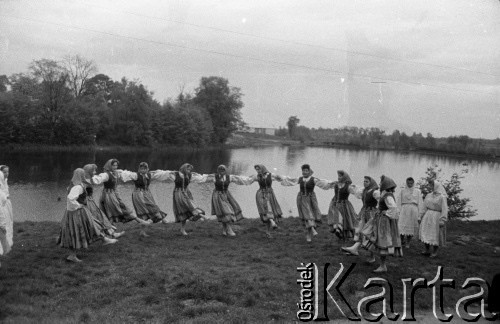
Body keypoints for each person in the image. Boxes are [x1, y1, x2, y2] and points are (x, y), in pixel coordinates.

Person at [58, 169, 117, 262]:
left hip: (73, 212)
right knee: (78, 230)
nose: (85, 176)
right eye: (83, 175)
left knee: (88, 227)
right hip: (77, 212)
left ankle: (104, 239)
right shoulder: (78, 187)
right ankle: (72, 255)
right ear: (80, 175)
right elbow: (70, 198)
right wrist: (78, 205)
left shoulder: (72, 185)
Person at [280, 164, 334, 242]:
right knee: (307, 215)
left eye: (306, 171)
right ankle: (311, 230)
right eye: (303, 171)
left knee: (311, 215)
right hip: (302, 198)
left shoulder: (313, 179)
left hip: (311, 199)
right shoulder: (300, 179)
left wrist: (332, 184)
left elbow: (323, 183)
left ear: (309, 171)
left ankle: (309, 233)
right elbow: (290, 181)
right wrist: (281, 179)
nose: (304, 172)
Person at [193, 165, 248, 236]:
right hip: (217, 195)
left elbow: (240, 179)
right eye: (220, 170)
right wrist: (191, 176)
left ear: (226, 170)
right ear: (218, 170)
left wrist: (252, 179)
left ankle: (224, 230)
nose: (222, 172)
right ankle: (229, 229)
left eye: (223, 170)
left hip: (226, 195)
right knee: (227, 212)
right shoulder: (214, 177)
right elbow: (202, 179)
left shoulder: (229, 177)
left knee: (225, 212)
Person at [93, 159, 151, 227]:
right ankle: (139, 221)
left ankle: (109, 227)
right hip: (108, 195)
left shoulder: (117, 172)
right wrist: (90, 179)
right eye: (113, 165)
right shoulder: (106, 175)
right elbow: (98, 179)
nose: (115, 167)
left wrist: (137, 174)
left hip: (115, 194)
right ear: (109, 166)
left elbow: (126, 173)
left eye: (116, 165)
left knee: (119, 208)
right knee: (116, 210)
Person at [151, 163, 206, 236]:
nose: (189, 171)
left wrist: (209, 177)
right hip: (178, 193)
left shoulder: (190, 175)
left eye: (190, 169)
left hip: (186, 192)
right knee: (187, 206)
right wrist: (153, 174)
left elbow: (200, 178)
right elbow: (164, 174)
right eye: (187, 169)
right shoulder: (175, 174)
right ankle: (201, 215)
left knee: (185, 212)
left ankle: (183, 229)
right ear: (183, 168)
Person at [364, 175, 402, 273]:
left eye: (381, 183)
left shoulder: (388, 195)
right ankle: (381, 264)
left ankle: (383, 265)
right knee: (378, 240)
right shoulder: (384, 193)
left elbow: (393, 208)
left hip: (384, 221)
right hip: (380, 219)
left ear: (385, 184)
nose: (379, 184)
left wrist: (385, 213)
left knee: (383, 242)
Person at [119, 162, 168, 237]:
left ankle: (155, 220)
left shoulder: (149, 175)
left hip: (147, 194)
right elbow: (126, 174)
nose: (143, 170)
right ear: (139, 169)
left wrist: (171, 173)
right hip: (138, 195)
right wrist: (117, 172)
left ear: (147, 169)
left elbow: (160, 173)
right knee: (143, 213)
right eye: (141, 168)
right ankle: (143, 231)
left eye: (145, 168)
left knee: (153, 207)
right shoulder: (136, 175)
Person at [341, 176, 380, 262]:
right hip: (364, 212)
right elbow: (356, 191)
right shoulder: (364, 191)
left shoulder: (375, 192)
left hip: (371, 213)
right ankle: (355, 249)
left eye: (367, 182)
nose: (364, 183)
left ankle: (371, 256)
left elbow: (381, 200)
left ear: (371, 183)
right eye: (364, 181)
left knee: (369, 233)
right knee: (361, 231)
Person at [82, 164, 124, 239]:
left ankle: (111, 234)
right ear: (89, 171)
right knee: (97, 219)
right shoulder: (85, 182)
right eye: (93, 170)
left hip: (91, 202)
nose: (95, 172)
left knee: (100, 218)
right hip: (87, 203)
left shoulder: (89, 180)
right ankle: (107, 236)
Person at [243, 164, 283, 237]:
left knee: (269, 210)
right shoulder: (257, 176)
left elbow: (280, 178)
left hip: (270, 194)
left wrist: (282, 178)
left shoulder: (270, 175)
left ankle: (268, 232)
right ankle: (272, 222)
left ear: (263, 169)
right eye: (257, 169)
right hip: (261, 194)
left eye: (259, 169)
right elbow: (247, 180)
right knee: (265, 210)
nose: (258, 171)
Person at [327, 170, 359, 242]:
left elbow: (355, 191)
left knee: (346, 220)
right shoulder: (336, 185)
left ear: (344, 177)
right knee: (337, 219)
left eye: (340, 176)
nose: (338, 178)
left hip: (344, 205)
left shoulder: (348, 187)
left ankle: (345, 235)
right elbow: (327, 184)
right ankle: (339, 232)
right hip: (336, 204)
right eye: (338, 176)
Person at [419, 180, 448, 258]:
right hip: (428, 215)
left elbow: (444, 209)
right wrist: (421, 215)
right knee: (426, 232)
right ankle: (427, 249)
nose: (431, 187)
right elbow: (424, 206)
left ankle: (435, 251)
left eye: (432, 185)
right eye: (430, 185)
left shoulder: (442, 197)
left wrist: (443, 219)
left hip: (436, 216)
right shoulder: (429, 195)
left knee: (435, 234)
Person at [397, 177, 423, 248]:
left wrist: (420, 214)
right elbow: (399, 201)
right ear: (406, 183)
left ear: (413, 183)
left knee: (411, 226)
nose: (409, 184)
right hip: (404, 209)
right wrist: (398, 211)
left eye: (411, 183)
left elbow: (420, 203)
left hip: (413, 210)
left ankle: (408, 242)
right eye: (408, 183)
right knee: (402, 225)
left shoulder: (417, 191)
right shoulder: (403, 190)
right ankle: (402, 240)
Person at [0, 165, 13, 268]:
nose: (6, 174)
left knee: (8, 222)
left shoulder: (5, 181)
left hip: (6, 204)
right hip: (2, 206)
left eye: (7, 172)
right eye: (4, 172)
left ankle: (8, 240)